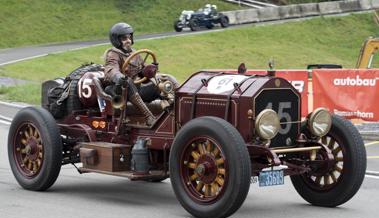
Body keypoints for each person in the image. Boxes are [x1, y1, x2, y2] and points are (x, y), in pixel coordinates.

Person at [104, 22, 155, 125]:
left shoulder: (135, 53)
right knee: (128, 81)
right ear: (116, 40)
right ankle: (149, 117)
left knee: (164, 79)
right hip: (118, 90)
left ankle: (171, 108)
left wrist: (151, 70)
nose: (128, 41)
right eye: (124, 38)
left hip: (136, 88)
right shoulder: (113, 54)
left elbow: (142, 69)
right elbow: (111, 69)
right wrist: (119, 77)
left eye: (129, 37)